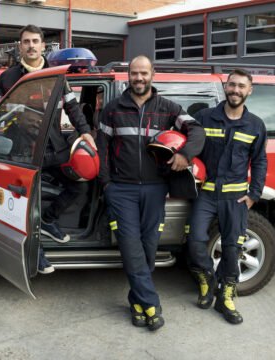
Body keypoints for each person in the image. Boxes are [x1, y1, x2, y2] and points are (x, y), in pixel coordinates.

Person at [96, 55, 205, 331]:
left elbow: (197, 130)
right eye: (134, 73)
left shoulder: (168, 108)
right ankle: (152, 304)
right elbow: (102, 151)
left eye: (144, 73)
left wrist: (185, 155)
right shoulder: (112, 109)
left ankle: (137, 302)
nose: (139, 78)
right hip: (121, 190)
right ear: (129, 76)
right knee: (131, 247)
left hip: (157, 189)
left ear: (153, 74)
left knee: (148, 247)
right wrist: (107, 185)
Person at [0, 24, 96, 274]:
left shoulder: (57, 75)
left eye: (35, 41)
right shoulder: (8, 77)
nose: (31, 45)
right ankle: (38, 254)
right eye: (26, 41)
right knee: (26, 206)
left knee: (80, 185)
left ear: (43, 45)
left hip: (54, 147)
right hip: (21, 151)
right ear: (20, 46)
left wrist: (86, 132)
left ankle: (50, 219)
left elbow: (73, 107)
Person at [187, 69, 267, 324]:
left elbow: (260, 160)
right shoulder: (204, 117)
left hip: (236, 198)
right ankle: (207, 280)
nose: (235, 90)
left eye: (241, 86)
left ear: (249, 90)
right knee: (195, 242)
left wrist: (254, 193)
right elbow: (185, 142)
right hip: (207, 194)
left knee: (233, 249)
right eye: (232, 85)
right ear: (225, 86)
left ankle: (226, 296)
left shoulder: (256, 124)